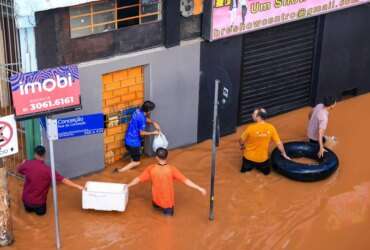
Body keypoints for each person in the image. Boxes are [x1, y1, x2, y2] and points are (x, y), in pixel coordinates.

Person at [127, 148, 206, 216]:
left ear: (156, 157)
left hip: (155, 201)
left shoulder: (151, 169)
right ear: (166, 157)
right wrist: (199, 188)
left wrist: (128, 185)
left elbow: (137, 179)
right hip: (167, 204)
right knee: (167, 223)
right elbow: (186, 181)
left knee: (154, 213)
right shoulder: (172, 170)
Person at [17, 145, 84, 216]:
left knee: (28, 212)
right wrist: (78, 186)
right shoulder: (48, 170)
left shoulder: (27, 164)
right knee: (41, 214)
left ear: (35, 154)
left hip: (26, 202)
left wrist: (23, 163)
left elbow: (18, 169)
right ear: (44, 154)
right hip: (39, 204)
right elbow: (63, 180)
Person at [239, 108, 290, 175]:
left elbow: (241, 140)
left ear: (259, 117)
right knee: (267, 173)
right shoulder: (271, 128)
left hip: (248, 159)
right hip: (262, 160)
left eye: (254, 114)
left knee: (243, 172)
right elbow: (279, 143)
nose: (252, 115)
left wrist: (242, 146)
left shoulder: (250, 128)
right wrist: (284, 154)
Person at [115, 101, 160, 173]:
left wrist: (153, 122)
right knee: (137, 162)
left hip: (127, 140)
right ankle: (120, 171)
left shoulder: (137, 111)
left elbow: (144, 119)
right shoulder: (142, 118)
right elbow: (141, 133)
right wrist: (153, 132)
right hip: (134, 143)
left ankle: (130, 165)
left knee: (133, 158)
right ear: (148, 111)